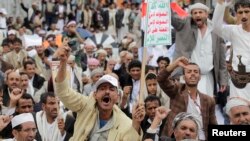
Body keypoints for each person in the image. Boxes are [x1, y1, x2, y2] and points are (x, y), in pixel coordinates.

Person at [54, 46, 144, 140]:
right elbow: (63, 92)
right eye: (102, 88)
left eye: (111, 89)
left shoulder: (125, 122)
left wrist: (136, 123)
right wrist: (63, 62)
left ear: (117, 97)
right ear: (95, 95)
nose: (107, 92)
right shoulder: (84, 105)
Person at [171, 2, 228, 97]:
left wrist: (223, 79)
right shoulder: (185, 25)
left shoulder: (215, 31)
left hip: (208, 78)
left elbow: (221, 59)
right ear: (191, 15)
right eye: (194, 13)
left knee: (206, 107)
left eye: (200, 12)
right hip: (188, 77)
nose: (197, 15)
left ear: (206, 14)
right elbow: (173, 19)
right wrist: (164, 3)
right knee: (189, 108)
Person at [157, 57, 217, 141]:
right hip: (178, 137)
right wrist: (175, 64)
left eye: (195, 72)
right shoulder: (177, 91)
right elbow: (161, 79)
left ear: (199, 77)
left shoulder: (209, 100)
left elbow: (213, 126)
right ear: (184, 77)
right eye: (189, 72)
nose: (192, 74)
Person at [212, 0, 250, 100]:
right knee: (239, 111)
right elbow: (215, 27)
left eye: (247, 11)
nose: (244, 15)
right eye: (240, 12)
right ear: (236, 14)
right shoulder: (234, 31)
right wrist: (220, 5)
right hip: (238, 85)